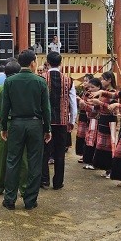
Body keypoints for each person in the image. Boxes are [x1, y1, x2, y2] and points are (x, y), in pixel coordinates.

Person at [0, 49, 52, 210]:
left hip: (16, 124)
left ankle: (9, 199)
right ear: (33, 63)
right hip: (35, 125)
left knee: (12, 161)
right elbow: (46, 109)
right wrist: (47, 128)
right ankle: (30, 200)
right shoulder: (40, 81)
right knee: (34, 162)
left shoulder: (10, 81)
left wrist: (3, 126)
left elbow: (5, 107)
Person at [0, 59, 27, 196]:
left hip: (3, 124)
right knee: (23, 156)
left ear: (5, 73)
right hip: (21, 124)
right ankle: (24, 187)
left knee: (2, 155)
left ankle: (0, 185)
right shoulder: (24, 89)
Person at [41, 51, 77, 190]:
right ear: (60, 63)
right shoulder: (68, 80)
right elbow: (73, 102)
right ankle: (58, 182)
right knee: (60, 153)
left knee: (44, 152)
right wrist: (72, 120)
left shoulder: (41, 79)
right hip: (62, 121)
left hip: (45, 122)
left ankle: (44, 180)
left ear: (47, 63)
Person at [86, 71, 118, 177]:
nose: (102, 81)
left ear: (109, 80)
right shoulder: (104, 92)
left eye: (104, 79)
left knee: (110, 145)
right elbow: (100, 106)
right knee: (102, 145)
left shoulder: (113, 93)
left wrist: (99, 103)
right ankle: (107, 168)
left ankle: (111, 169)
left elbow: (112, 109)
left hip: (110, 120)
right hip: (103, 119)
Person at [79, 77, 103, 170]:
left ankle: (94, 162)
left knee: (94, 142)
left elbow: (97, 109)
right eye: (89, 87)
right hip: (91, 120)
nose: (90, 89)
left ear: (99, 87)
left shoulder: (101, 96)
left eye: (93, 87)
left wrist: (85, 105)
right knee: (89, 140)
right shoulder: (89, 95)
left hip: (97, 121)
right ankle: (89, 160)